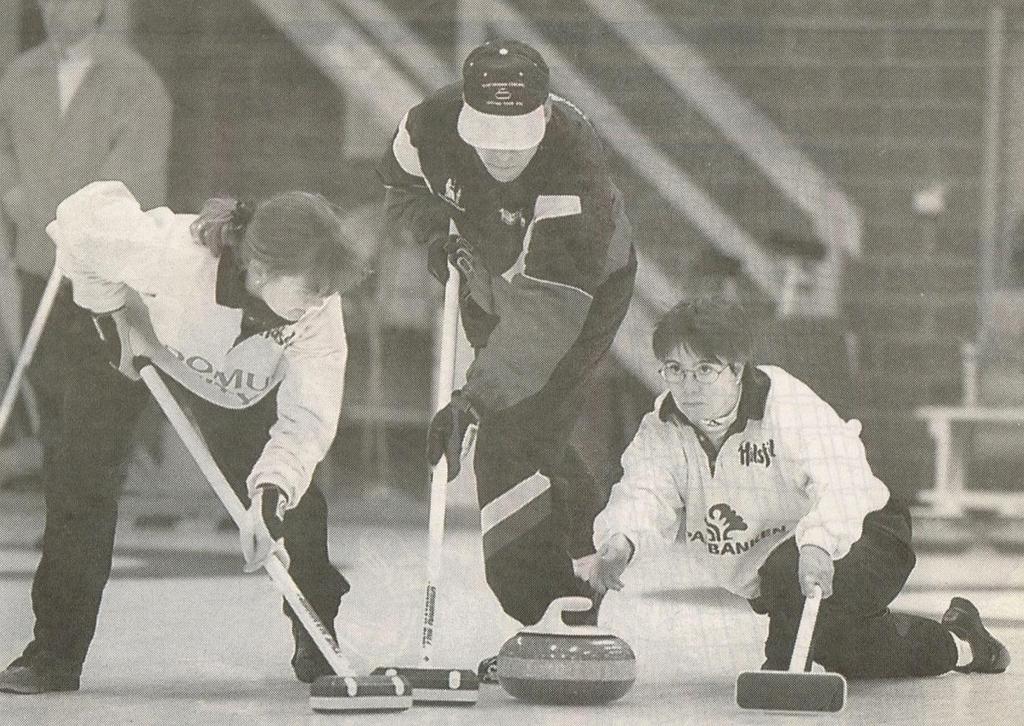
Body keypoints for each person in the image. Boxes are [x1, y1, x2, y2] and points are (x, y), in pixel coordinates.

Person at [0, 180, 366, 694]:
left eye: (328, 291)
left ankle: (317, 639)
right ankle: (52, 655)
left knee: (295, 505)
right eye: (312, 288)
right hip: (131, 343)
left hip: (233, 387)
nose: (322, 301)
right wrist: (111, 308)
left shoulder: (316, 311)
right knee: (81, 487)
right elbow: (79, 218)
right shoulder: (171, 255)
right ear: (259, 270)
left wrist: (271, 492)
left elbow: (308, 419)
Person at [379, 38, 636, 680]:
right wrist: (435, 238)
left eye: (514, 140)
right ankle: (583, 546)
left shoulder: (576, 160)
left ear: (543, 116)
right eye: (487, 137)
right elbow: (401, 188)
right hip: (485, 272)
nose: (499, 154)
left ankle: (548, 607)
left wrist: (476, 397)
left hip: (580, 292)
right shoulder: (424, 127)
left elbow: (548, 312)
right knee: (532, 428)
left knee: (511, 432)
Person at [589, 297, 1010, 678]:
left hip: (869, 534)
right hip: (779, 573)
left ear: (736, 370)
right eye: (675, 370)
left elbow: (842, 478)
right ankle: (962, 643)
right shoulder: (662, 427)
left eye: (704, 369)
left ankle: (779, 675)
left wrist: (817, 545)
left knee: (789, 591)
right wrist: (620, 540)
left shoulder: (785, 402)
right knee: (849, 649)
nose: (688, 385)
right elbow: (645, 490)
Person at [0, 0, 171, 487]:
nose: (55, 9)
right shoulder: (20, 74)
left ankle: (90, 509)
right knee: (47, 384)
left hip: (101, 271)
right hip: (37, 255)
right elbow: (3, 143)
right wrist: (11, 192)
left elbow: (137, 169)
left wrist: (83, 224)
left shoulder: (135, 80)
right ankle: (62, 511)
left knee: (97, 389)